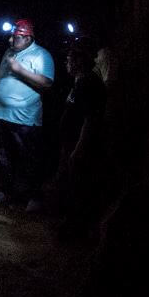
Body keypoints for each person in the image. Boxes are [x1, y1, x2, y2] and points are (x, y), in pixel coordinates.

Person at [0, 19, 54, 211]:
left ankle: (33, 197)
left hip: (25, 117)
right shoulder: (9, 52)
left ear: (27, 38)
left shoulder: (41, 55)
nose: (10, 40)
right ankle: (6, 191)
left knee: (28, 158)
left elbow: (47, 83)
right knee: (4, 156)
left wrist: (20, 71)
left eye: (15, 37)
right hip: (2, 114)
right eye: (11, 36)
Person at [48, 37, 107, 235]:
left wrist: (80, 148)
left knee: (79, 186)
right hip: (69, 143)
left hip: (78, 145)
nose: (67, 63)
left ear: (79, 61)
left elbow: (91, 118)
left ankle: (77, 228)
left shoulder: (89, 83)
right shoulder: (79, 82)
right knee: (68, 183)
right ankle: (68, 222)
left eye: (69, 59)